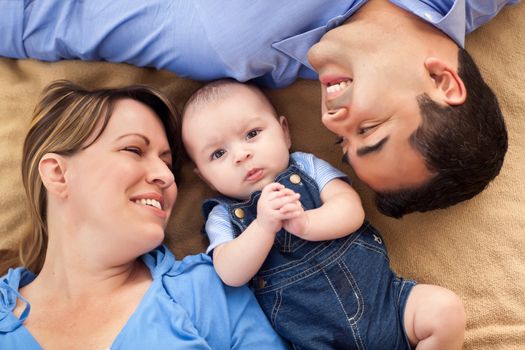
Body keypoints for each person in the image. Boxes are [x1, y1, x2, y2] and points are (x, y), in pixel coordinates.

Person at [0, 0, 517, 218]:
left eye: (345, 143)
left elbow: (47, 18)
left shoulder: (229, 48)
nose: (333, 121)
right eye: (371, 129)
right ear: (443, 81)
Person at [0, 81, 289, 349]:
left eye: (169, 164)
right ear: (58, 173)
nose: (165, 176)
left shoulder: (207, 290)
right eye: (134, 149)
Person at [181, 79, 466, 349]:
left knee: (445, 311)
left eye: (252, 134)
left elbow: (351, 210)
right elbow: (230, 272)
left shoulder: (307, 167)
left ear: (284, 132)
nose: (241, 155)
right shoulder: (221, 216)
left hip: (386, 305)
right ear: (205, 177)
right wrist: (263, 227)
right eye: (218, 154)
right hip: (314, 340)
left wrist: (306, 223)